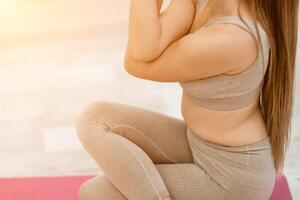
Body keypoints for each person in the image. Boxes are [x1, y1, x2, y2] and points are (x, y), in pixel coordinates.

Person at [75, 0, 298, 199]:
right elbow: (145, 49)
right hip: (197, 144)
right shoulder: (205, 3)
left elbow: (136, 63)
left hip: (231, 177)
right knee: (94, 118)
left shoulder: (234, 38)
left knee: (94, 193)